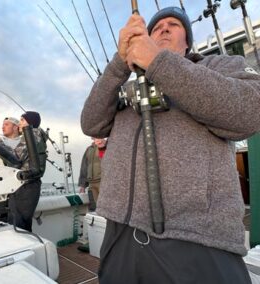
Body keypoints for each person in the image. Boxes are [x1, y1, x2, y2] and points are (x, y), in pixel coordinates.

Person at [80, 6, 260, 284]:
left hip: (198, 239)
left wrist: (158, 62)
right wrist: (120, 61)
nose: (163, 28)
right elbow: (91, 123)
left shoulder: (218, 66)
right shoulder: (125, 84)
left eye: (174, 25)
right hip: (120, 235)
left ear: (187, 40)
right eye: (156, 26)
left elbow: (250, 112)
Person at [0, 110, 47, 232]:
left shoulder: (33, 135)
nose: (20, 123)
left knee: (18, 224)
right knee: (19, 222)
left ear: (30, 122)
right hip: (23, 186)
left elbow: (17, 159)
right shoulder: (35, 134)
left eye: (22, 120)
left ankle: (23, 248)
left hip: (25, 187)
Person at [78, 137, 107, 204]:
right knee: (95, 207)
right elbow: (84, 167)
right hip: (92, 184)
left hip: (104, 182)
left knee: (106, 205)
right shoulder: (89, 149)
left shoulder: (108, 146)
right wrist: (83, 186)